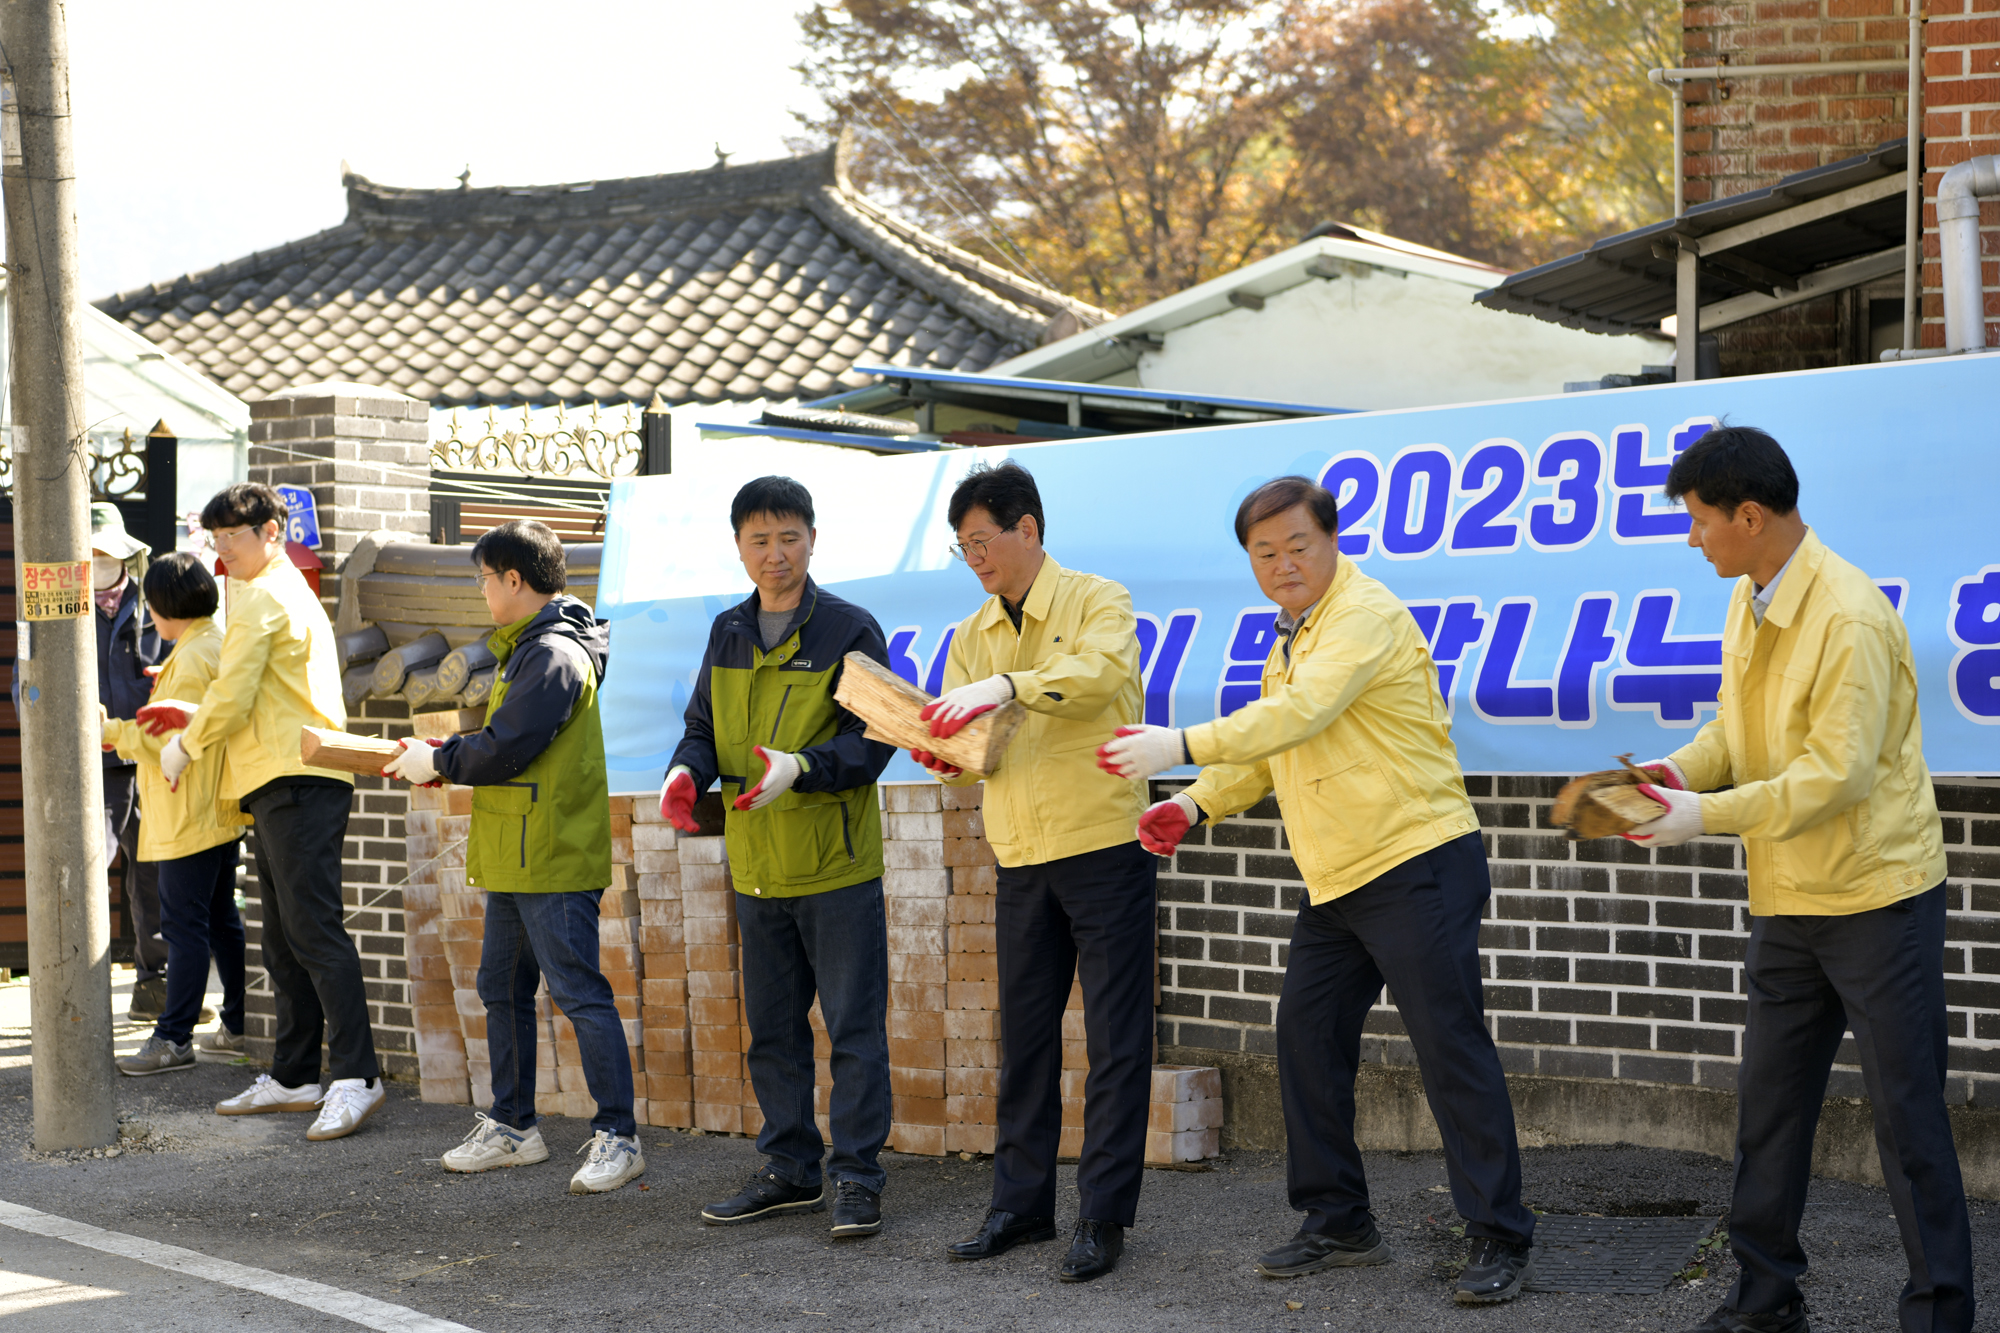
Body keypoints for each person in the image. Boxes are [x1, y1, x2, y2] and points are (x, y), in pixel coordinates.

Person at [1098, 475, 1537, 1305]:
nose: (1283, 563)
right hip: (1338, 875)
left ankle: (1501, 1234)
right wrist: (1192, 802)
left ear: (1332, 541)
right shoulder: (1293, 635)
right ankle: (1338, 1219)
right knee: (1304, 1037)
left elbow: (1295, 715)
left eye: (1298, 545)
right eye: (1265, 553)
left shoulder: (1361, 618)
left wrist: (1177, 744)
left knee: (1450, 1052)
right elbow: (1273, 748)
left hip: (1416, 860)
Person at [1603, 427, 1970, 1333]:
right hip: (1789, 901)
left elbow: (1834, 776)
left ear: (1750, 515)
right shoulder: (1751, 595)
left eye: (1697, 521)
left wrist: (1707, 817)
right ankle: (1765, 1298)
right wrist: (1678, 777)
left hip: (1879, 898)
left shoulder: (1845, 614)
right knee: (1767, 1111)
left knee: (1909, 1123)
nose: (1692, 538)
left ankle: (1940, 1313)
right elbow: (1736, 732)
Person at [914, 460, 1154, 1284]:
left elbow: (1100, 676)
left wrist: (1005, 684)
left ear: (1029, 529)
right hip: (1020, 855)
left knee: (1117, 1041)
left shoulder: (1098, 599)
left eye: (983, 540)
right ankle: (1019, 1206)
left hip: (1103, 844)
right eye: (962, 546)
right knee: (1024, 1042)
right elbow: (972, 753)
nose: (975, 558)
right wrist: (939, 751)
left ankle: (1102, 1216)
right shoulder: (972, 632)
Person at [661, 476, 897, 1238]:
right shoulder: (728, 630)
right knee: (774, 1029)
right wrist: (685, 769)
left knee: (854, 1027)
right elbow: (702, 723)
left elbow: (876, 739)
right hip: (756, 865)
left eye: (788, 537)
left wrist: (802, 767)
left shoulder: (849, 630)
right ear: (739, 547)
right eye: (759, 539)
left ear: (813, 540)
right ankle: (792, 1169)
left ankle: (857, 1177)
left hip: (834, 864)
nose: (775, 553)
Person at [384, 521, 644, 1194]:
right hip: (519, 851)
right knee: (501, 988)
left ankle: (618, 1134)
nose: (481, 591)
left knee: (579, 992)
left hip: (551, 852)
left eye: (482, 578)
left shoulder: (553, 653)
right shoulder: (533, 647)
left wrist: (437, 759)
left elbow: (507, 745)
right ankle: (513, 1125)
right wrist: (441, 761)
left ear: (513, 580)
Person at [136, 482, 384, 1141]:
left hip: (297, 777)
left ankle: (357, 1075)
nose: (224, 552)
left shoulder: (265, 594)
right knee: (284, 936)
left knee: (313, 931)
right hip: (282, 776)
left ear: (271, 531)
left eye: (235, 538)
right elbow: (259, 690)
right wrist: (194, 719)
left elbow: (238, 689)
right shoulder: (273, 592)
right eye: (215, 540)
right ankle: (297, 1075)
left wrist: (184, 746)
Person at [106, 553, 250, 1075]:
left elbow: (168, 735)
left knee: (184, 926)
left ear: (167, 607)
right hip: (214, 805)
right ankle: (236, 1022)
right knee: (218, 920)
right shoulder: (209, 642)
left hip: (187, 805)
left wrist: (111, 731)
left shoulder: (190, 658)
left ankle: (174, 1038)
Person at [89, 502, 170, 1022]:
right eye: (90, 552)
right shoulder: (59, 604)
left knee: (154, 876)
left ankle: (154, 985)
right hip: (91, 766)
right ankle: (79, 988)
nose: (98, 560)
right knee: (86, 871)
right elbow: (23, 682)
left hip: (151, 760)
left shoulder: (153, 605)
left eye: (105, 552)